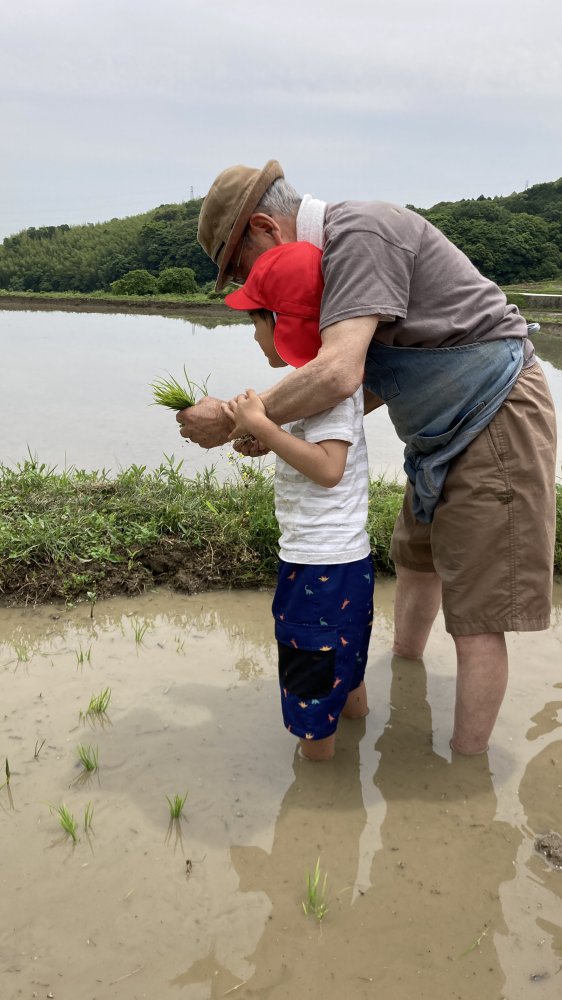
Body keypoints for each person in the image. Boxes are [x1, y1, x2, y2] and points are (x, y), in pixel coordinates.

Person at [177, 159, 557, 756]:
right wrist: (275, 427)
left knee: (479, 606)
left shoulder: (358, 237)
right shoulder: (326, 264)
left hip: (494, 413)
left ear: (264, 228)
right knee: (416, 557)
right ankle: (406, 682)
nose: (247, 285)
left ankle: (464, 774)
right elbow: (365, 384)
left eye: (239, 268)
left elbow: (338, 374)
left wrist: (234, 419)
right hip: (434, 432)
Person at [223, 241, 374, 761]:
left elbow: (329, 468)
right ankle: (354, 765)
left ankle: (318, 796)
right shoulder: (319, 384)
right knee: (345, 673)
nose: (255, 335)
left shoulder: (329, 388)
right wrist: (272, 439)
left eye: (257, 322)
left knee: (311, 691)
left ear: (285, 323)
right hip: (345, 565)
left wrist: (266, 426)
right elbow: (319, 452)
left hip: (318, 569)